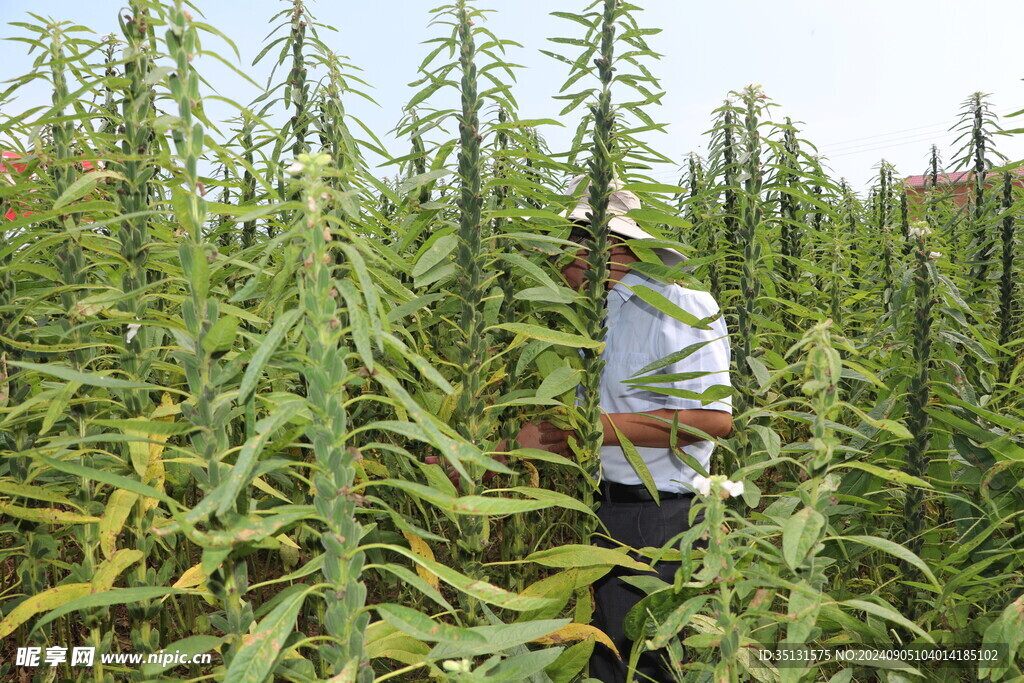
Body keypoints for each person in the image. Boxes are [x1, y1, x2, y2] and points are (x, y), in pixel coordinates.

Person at [517, 176, 734, 683]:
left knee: (649, 660)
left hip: (661, 517)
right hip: (601, 510)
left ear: (602, 247)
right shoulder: (591, 320)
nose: (556, 266)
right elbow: (580, 424)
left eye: (565, 249)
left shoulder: (678, 307)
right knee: (605, 656)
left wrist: (590, 429)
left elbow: (712, 421)